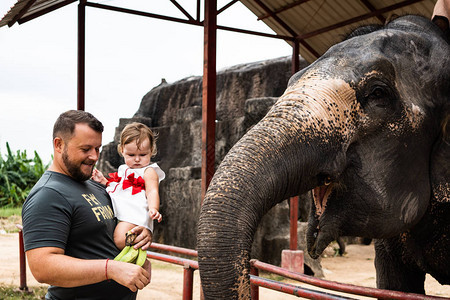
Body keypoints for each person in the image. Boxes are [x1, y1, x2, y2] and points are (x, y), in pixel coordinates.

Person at [22, 110, 152, 300]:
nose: (94, 156)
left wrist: (140, 237)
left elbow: (104, 237)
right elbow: (43, 267)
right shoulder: (48, 194)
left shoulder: (94, 186)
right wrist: (110, 269)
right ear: (59, 145)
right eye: (86, 149)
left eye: (97, 149)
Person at [92, 122, 165, 250]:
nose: (137, 159)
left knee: (120, 239)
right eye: (131, 155)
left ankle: (136, 251)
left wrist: (153, 208)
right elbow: (121, 188)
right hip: (123, 212)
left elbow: (152, 191)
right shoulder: (124, 169)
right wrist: (104, 181)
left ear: (151, 151)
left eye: (142, 155)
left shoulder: (149, 171)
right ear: (122, 151)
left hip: (134, 214)